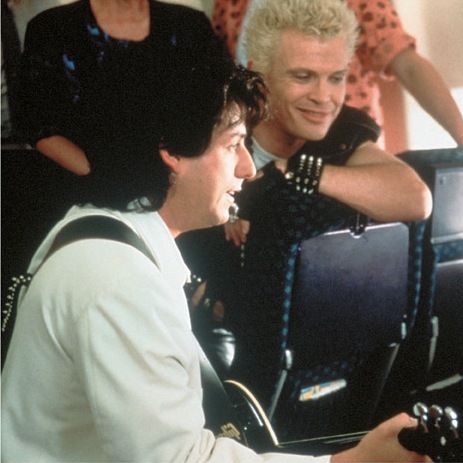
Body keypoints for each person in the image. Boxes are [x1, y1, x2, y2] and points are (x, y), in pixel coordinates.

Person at [0, 56, 427, 462]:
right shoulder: (119, 282)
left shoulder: (98, 231)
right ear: (172, 152)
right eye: (234, 144)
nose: (247, 168)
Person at [178, 0, 433, 426]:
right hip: (208, 337)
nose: (323, 97)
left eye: (336, 78)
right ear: (258, 73)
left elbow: (415, 197)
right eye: (302, 76)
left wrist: (294, 172)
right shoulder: (211, 132)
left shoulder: (339, 134)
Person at [211, 0, 463, 152]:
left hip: (344, 147)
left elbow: (407, 65)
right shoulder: (232, 3)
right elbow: (223, 78)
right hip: (260, 146)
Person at [16, 0, 225, 177]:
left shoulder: (191, 26)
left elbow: (220, 110)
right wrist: (106, 177)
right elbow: (37, 124)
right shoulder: (51, 28)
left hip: (180, 185)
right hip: (85, 189)